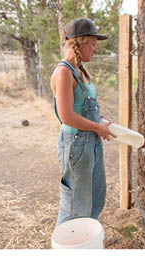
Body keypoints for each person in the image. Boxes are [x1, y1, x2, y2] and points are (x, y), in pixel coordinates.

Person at [51, 17, 114, 227]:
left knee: (94, 200)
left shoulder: (81, 70)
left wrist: (101, 121)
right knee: (75, 207)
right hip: (76, 145)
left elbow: (82, 109)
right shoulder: (63, 72)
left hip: (91, 143)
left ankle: (84, 241)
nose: (95, 49)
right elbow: (67, 116)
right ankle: (67, 245)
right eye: (93, 43)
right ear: (80, 42)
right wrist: (97, 127)